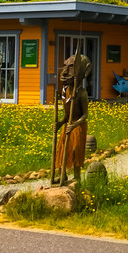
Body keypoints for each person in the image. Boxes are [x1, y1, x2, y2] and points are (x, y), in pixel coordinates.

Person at [55, 52, 92, 182]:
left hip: (78, 127)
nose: (64, 72)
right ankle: (62, 174)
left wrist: (74, 125)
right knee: (62, 149)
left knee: (76, 150)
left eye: (70, 68)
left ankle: (77, 177)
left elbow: (85, 115)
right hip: (68, 126)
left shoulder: (82, 93)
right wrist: (60, 123)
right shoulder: (65, 92)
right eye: (64, 67)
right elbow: (67, 115)